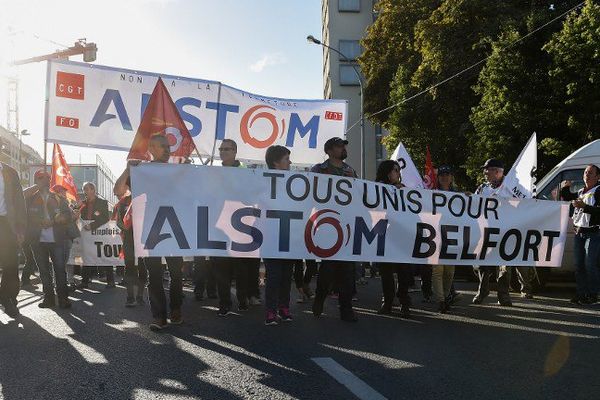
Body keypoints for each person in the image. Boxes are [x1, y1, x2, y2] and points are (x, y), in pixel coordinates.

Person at [114, 135, 184, 330]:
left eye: (168, 146)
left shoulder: (176, 171)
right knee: (154, 274)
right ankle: (159, 316)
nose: (167, 149)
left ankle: (176, 308)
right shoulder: (141, 171)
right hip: (150, 228)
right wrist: (128, 168)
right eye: (162, 146)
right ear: (152, 148)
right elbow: (118, 190)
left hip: (174, 227)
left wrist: (189, 170)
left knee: (176, 273)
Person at [472, 159, 534, 306]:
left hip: (508, 231)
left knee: (505, 265)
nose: (485, 172)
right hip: (487, 230)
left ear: (498, 171)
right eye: (485, 169)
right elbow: (474, 205)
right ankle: (483, 290)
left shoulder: (513, 187)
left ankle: (503, 295)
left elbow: (528, 204)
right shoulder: (483, 188)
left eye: (488, 169)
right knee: (482, 263)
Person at [311, 137, 358, 322]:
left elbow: (360, 194)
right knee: (328, 269)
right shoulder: (319, 169)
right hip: (326, 224)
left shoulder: (350, 171)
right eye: (340, 146)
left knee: (347, 271)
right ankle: (320, 298)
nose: (344, 149)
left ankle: (346, 309)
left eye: (344, 146)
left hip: (346, 224)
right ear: (330, 150)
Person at [214, 139, 252, 316]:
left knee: (242, 269)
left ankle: (242, 298)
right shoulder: (214, 172)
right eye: (221, 149)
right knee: (222, 269)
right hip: (219, 227)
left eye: (227, 149)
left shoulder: (245, 171)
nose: (223, 152)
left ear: (235, 151)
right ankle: (224, 303)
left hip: (240, 226)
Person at [26, 169, 72, 309]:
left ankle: (63, 298)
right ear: (35, 181)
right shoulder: (30, 198)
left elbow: (67, 216)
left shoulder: (58, 198)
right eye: (40, 178)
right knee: (44, 271)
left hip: (57, 241)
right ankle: (49, 299)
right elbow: (20, 198)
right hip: (37, 241)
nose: (45, 180)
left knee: (59, 269)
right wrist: (40, 222)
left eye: (47, 178)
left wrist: (53, 222)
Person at [373, 160, 412, 318]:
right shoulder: (375, 189)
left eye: (398, 170)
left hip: (402, 235)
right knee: (386, 272)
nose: (398, 173)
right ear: (387, 172)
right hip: (384, 235)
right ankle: (387, 302)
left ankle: (404, 302)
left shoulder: (405, 190)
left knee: (404, 271)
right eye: (395, 170)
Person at [262, 145, 296, 325]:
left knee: (285, 275)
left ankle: (284, 308)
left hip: (288, 234)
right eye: (286, 159)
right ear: (275, 163)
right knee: (274, 275)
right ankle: (271, 310)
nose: (290, 162)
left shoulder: (296, 183)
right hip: (270, 236)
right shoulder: (263, 181)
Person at [560, 164, 600, 305]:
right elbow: (567, 197)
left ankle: (594, 294)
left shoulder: (599, 191)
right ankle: (582, 293)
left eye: (590, 173)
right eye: (585, 172)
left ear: (598, 176)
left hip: (593, 233)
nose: (586, 175)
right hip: (579, 232)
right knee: (578, 265)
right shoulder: (581, 191)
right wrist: (565, 187)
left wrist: (585, 207)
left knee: (590, 265)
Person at [0, 161, 26, 317]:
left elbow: (19, 203)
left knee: (10, 265)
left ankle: (6, 297)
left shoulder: (10, 172)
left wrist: (21, 228)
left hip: (6, 224)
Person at [77, 182, 115, 289]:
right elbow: (76, 216)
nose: (85, 192)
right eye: (84, 189)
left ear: (93, 190)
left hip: (99, 232)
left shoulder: (102, 202)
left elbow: (105, 218)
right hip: (86, 233)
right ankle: (85, 281)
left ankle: (110, 281)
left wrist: (92, 226)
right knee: (86, 256)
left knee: (104, 256)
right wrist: (76, 206)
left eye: (87, 189)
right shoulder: (82, 203)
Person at [114, 190, 147, 307]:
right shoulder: (122, 203)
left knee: (143, 267)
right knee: (129, 267)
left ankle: (140, 296)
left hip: (143, 238)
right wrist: (127, 228)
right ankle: (130, 297)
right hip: (129, 238)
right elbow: (118, 221)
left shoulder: (146, 198)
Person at [431, 165, 456, 313]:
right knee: (437, 270)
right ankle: (441, 300)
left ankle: (446, 297)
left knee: (449, 271)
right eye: (442, 175)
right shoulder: (432, 194)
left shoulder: (458, 195)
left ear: (451, 177)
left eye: (447, 174)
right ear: (438, 178)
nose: (445, 177)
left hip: (453, 236)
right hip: (436, 235)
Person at [52, 184, 80, 292]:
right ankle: (58, 284)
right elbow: (61, 219)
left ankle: (70, 281)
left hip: (67, 236)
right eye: (62, 191)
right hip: (60, 236)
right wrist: (72, 216)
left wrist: (74, 216)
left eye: (64, 191)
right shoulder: (54, 204)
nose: (64, 193)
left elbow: (71, 219)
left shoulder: (66, 204)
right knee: (59, 262)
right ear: (56, 192)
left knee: (69, 260)